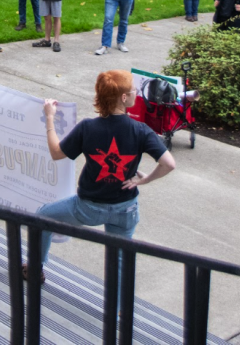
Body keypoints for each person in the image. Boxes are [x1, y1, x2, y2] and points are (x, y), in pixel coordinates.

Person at [27, 71, 176, 284]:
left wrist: (49, 118)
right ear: (124, 98)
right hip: (126, 209)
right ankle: (117, 312)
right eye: (133, 90)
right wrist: (145, 179)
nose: (136, 93)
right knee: (119, 262)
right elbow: (169, 164)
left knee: (42, 217)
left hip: (88, 208)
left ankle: (35, 268)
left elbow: (57, 153)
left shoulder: (88, 127)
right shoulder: (140, 130)